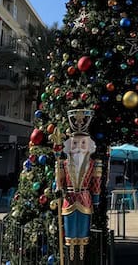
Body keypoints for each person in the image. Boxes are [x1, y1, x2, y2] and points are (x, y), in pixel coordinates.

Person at [56, 109, 102, 263]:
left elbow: (96, 184)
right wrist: (58, 189)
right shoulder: (63, 163)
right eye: (75, 143)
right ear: (69, 145)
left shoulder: (94, 164)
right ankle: (70, 260)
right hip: (68, 199)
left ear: (89, 145)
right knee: (69, 236)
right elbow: (60, 183)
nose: (79, 147)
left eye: (83, 143)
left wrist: (95, 200)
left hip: (85, 199)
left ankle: (81, 260)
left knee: (83, 235)